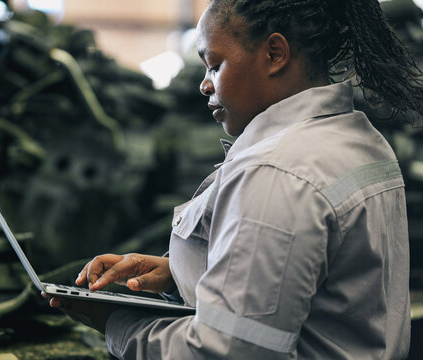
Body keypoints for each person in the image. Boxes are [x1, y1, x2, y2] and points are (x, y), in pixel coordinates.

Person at [43, 0, 423, 358]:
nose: (204, 85)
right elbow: (322, 284)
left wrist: (116, 323)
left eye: (214, 64)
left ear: (275, 54)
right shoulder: (360, 141)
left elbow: (226, 352)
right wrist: (182, 275)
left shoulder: (277, 172)